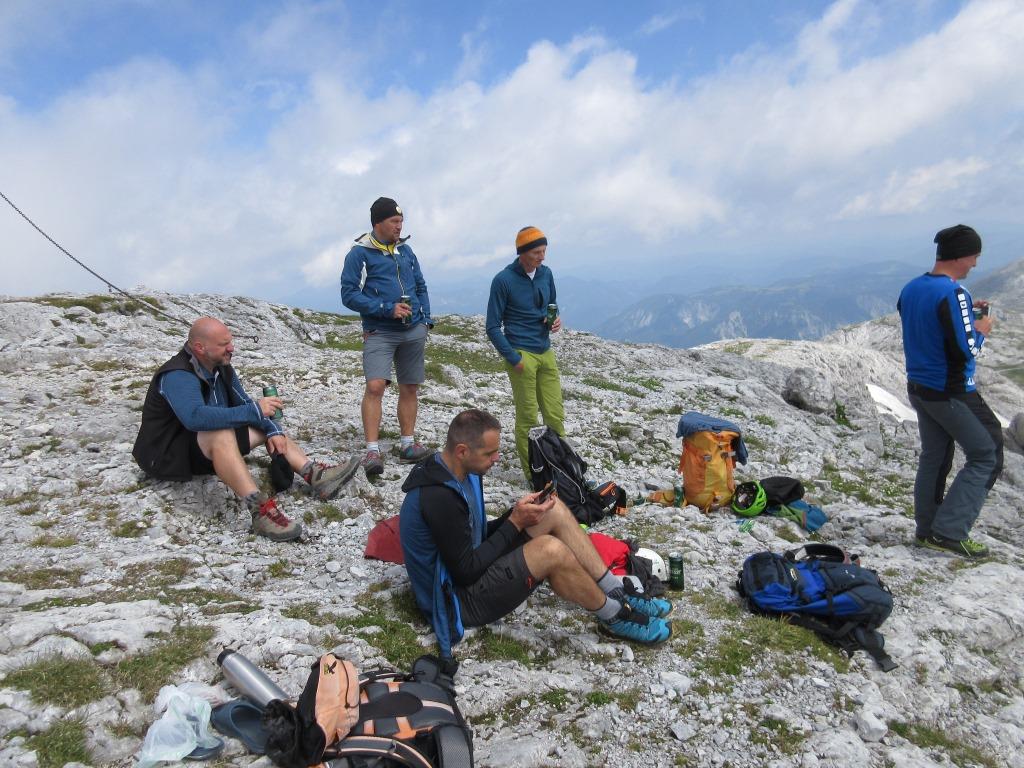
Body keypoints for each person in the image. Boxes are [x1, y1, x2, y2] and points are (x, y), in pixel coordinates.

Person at [399, 409, 672, 658]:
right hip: (456, 602)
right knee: (550, 551)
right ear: (462, 451)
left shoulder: (464, 471)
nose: (496, 458)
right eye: (489, 453)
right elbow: (465, 571)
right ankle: (614, 617)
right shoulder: (439, 497)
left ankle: (616, 591)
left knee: (554, 510)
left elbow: (473, 535)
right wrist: (514, 523)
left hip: (471, 571)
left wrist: (517, 514)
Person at [132, 317, 360, 542]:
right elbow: (195, 418)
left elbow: (245, 404)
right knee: (222, 433)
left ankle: (315, 474)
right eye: (224, 344)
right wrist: (255, 411)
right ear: (200, 347)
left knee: (264, 430)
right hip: (167, 455)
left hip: (201, 444)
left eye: (230, 341)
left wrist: (273, 430)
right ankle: (260, 511)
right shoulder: (178, 374)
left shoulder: (222, 368)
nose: (231, 348)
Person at [897, 224, 1003, 558]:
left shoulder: (912, 288)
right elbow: (965, 349)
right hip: (952, 391)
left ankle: (927, 530)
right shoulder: (954, 293)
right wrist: (982, 329)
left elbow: (932, 328)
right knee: (987, 453)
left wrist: (969, 318)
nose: (975, 264)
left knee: (935, 455)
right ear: (961, 255)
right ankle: (950, 532)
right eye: (974, 256)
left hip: (920, 387)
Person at [341, 197, 433, 478]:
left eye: (401, 221)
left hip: (413, 329)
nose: (399, 226)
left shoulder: (406, 250)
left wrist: (426, 319)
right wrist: (385, 308)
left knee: (410, 386)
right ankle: (372, 450)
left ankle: (407, 444)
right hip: (379, 330)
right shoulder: (360, 254)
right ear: (378, 223)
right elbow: (349, 295)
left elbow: (420, 285)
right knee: (375, 386)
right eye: (394, 221)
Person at [486, 226, 565, 480]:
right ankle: (535, 477)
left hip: (545, 350)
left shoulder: (546, 273)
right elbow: (492, 326)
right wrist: (514, 358)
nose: (542, 257)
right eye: (536, 252)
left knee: (555, 415)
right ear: (522, 253)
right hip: (521, 353)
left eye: (544, 251)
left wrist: (553, 320)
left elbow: (552, 304)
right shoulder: (503, 280)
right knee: (528, 418)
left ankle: (561, 471)